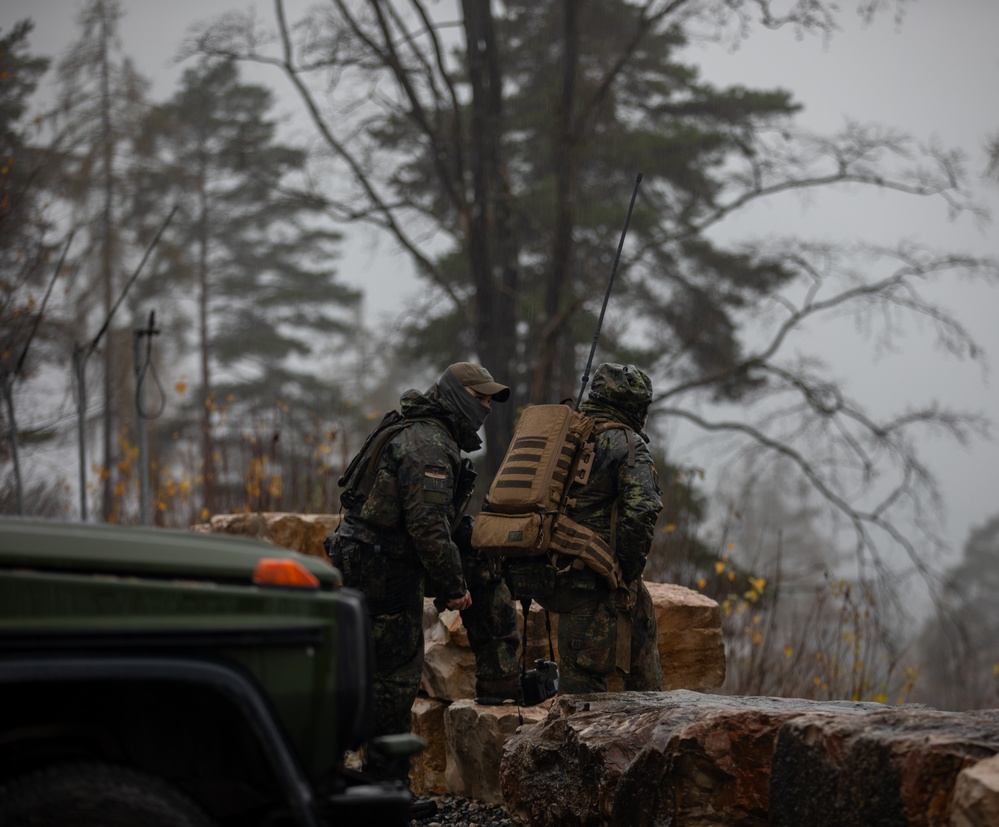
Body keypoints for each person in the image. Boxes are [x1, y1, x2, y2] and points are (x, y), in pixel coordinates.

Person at [324, 362, 520, 814]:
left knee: (372, 671)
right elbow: (428, 526)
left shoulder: (421, 431)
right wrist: (453, 587)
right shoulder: (429, 443)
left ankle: (352, 778)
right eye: (481, 398)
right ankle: (382, 785)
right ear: (456, 395)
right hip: (383, 573)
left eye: (491, 399)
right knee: (395, 677)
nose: (487, 407)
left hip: (373, 565)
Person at [554, 362, 664, 694]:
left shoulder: (565, 432)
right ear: (637, 407)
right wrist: (626, 571)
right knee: (587, 708)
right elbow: (642, 508)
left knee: (582, 683)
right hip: (598, 584)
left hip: (553, 572)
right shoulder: (626, 444)